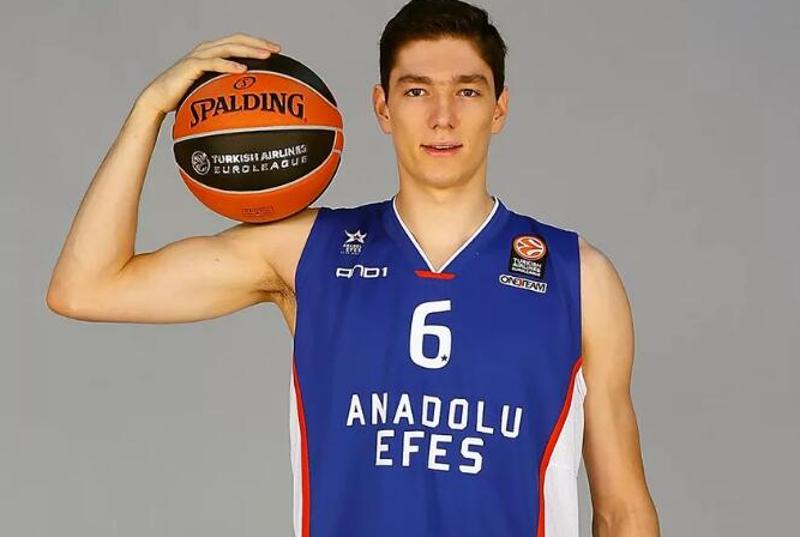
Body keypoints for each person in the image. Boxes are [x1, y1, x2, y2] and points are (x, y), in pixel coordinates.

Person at [47, 1, 660, 535]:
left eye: (468, 91)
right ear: (382, 107)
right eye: (416, 91)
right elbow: (86, 287)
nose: (442, 116)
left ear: (499, 108)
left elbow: (622, 512)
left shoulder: (579, 277)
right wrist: (151, 109)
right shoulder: (306, 250)